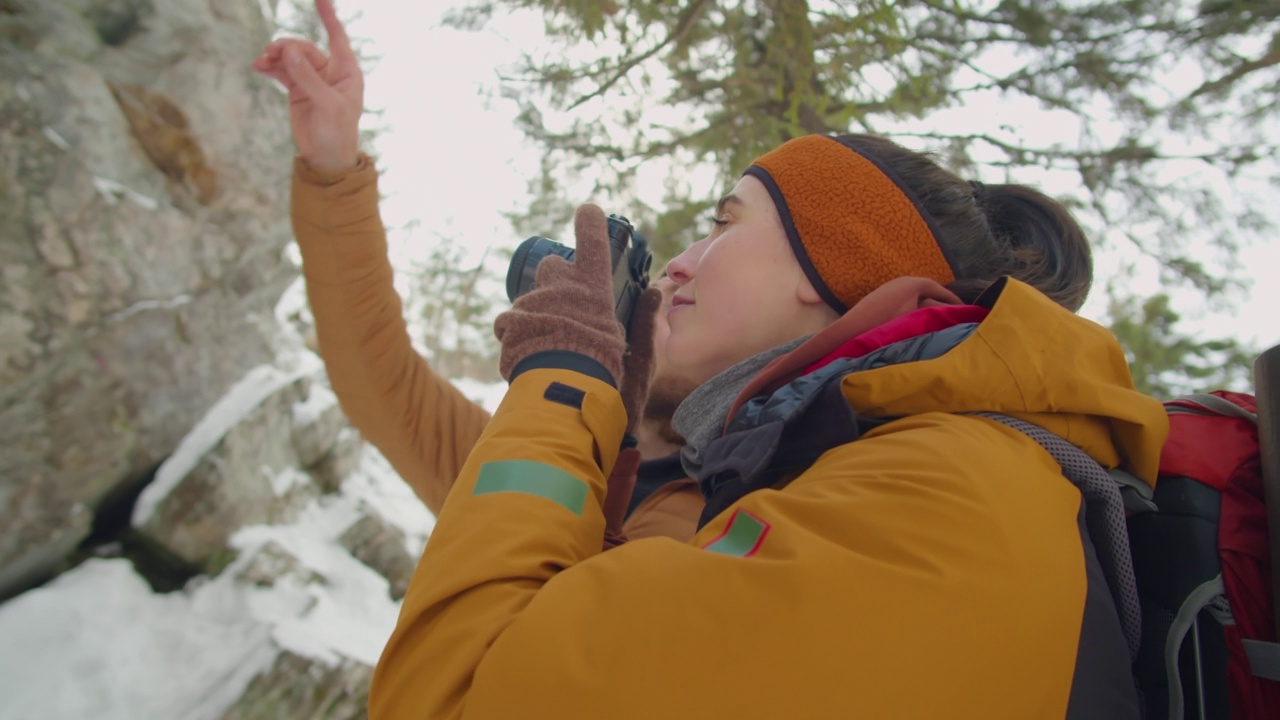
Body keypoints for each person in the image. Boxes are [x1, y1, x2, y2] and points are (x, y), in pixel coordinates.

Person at [259, 5, 1170, 719]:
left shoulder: (937, 492)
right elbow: (383, 386)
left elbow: (458, 698)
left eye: (725, 223)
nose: (682, 261)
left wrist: (565, 378)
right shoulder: (650, 467)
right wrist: (335, 168)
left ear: (832, 274)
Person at [251, 0, 701, 544]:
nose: (678, 273)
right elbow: (378, 375)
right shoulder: (520, 457)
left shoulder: (747, 522)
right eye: (658, 285)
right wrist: (334, 167)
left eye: (687, 298)